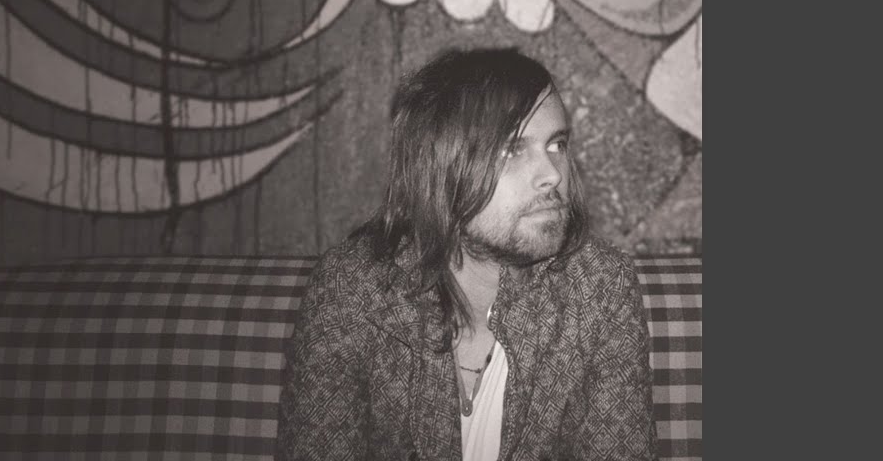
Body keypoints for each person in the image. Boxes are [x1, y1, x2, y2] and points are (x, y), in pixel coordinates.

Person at [276, 47, 657, 461]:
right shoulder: (352, 289)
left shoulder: (600, 287)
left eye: (557, 144)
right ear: (441, 168)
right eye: (512, 149)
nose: (552, 173)